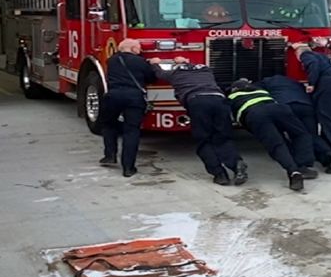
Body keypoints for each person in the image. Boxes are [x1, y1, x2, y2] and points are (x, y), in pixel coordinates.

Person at [151, 56, 246, 185]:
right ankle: (236, 165)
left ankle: (219, 174)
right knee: (223, 137)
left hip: (197, 101)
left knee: (203, 139)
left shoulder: (175, 73)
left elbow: (159, 73)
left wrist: (155, 63)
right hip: (219, 100)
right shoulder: (206, 70)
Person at [228, 79, 317, 192]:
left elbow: (227, 115)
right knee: (301, 134)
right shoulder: (261, 91)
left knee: (276, 144)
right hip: (279, 109)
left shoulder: (232, 97)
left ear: (234, 89)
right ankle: (303, 165)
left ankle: (294, 171)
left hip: (255, 115)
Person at [99, 38, 156, 177]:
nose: (140, 50)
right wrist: (152, 64)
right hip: (134, 98)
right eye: (139, 48)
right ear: (133, 49)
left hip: (113, 96)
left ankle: (110, 155)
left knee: (108, 124)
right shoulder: (140, 61)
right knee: (131, 131)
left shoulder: (111, 60)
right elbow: (151, 78)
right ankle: (128, 168)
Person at [259, 74, 331, 172]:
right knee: (311, 135)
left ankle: (303, 164)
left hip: (287, 106)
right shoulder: (293, 81)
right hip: (306, 106)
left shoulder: (265, 83)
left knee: (298, 135)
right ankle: (328, 154)